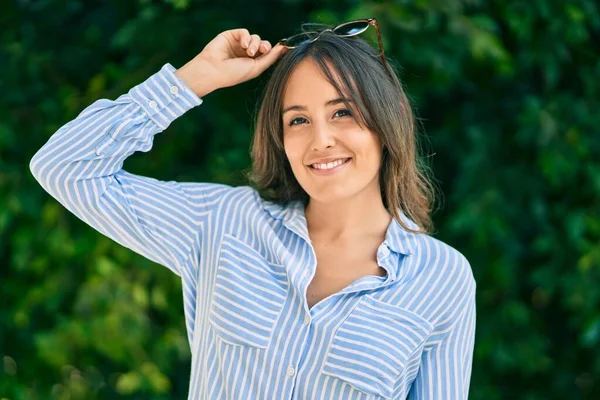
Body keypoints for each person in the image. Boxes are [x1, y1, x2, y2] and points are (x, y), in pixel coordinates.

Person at [30, 19, 476, 400]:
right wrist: (194, 78)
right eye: (298, 120)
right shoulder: (223, 223)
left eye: (342, 112)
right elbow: (66, 167)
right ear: (280, 138)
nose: (321, 139)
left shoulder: (443, 279)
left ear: (387, 119)